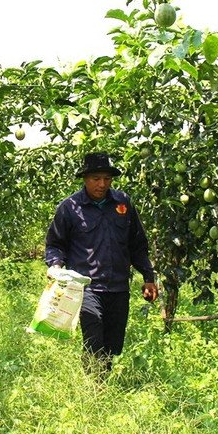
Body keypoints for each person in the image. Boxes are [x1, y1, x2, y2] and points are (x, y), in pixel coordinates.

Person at [45, 152, 157, 372]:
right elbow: (55, 244)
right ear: (85, 179)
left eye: (107, 178)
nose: (102, 184)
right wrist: (56, 265)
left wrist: (148, 277)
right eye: (96, 179)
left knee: (111, 344)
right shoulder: (70, 207)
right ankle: (94, 382)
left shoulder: (123, 203)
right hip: (86, 286)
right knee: (93, 334)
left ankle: (102, 378)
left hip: (118, 286)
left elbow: (137, 244)